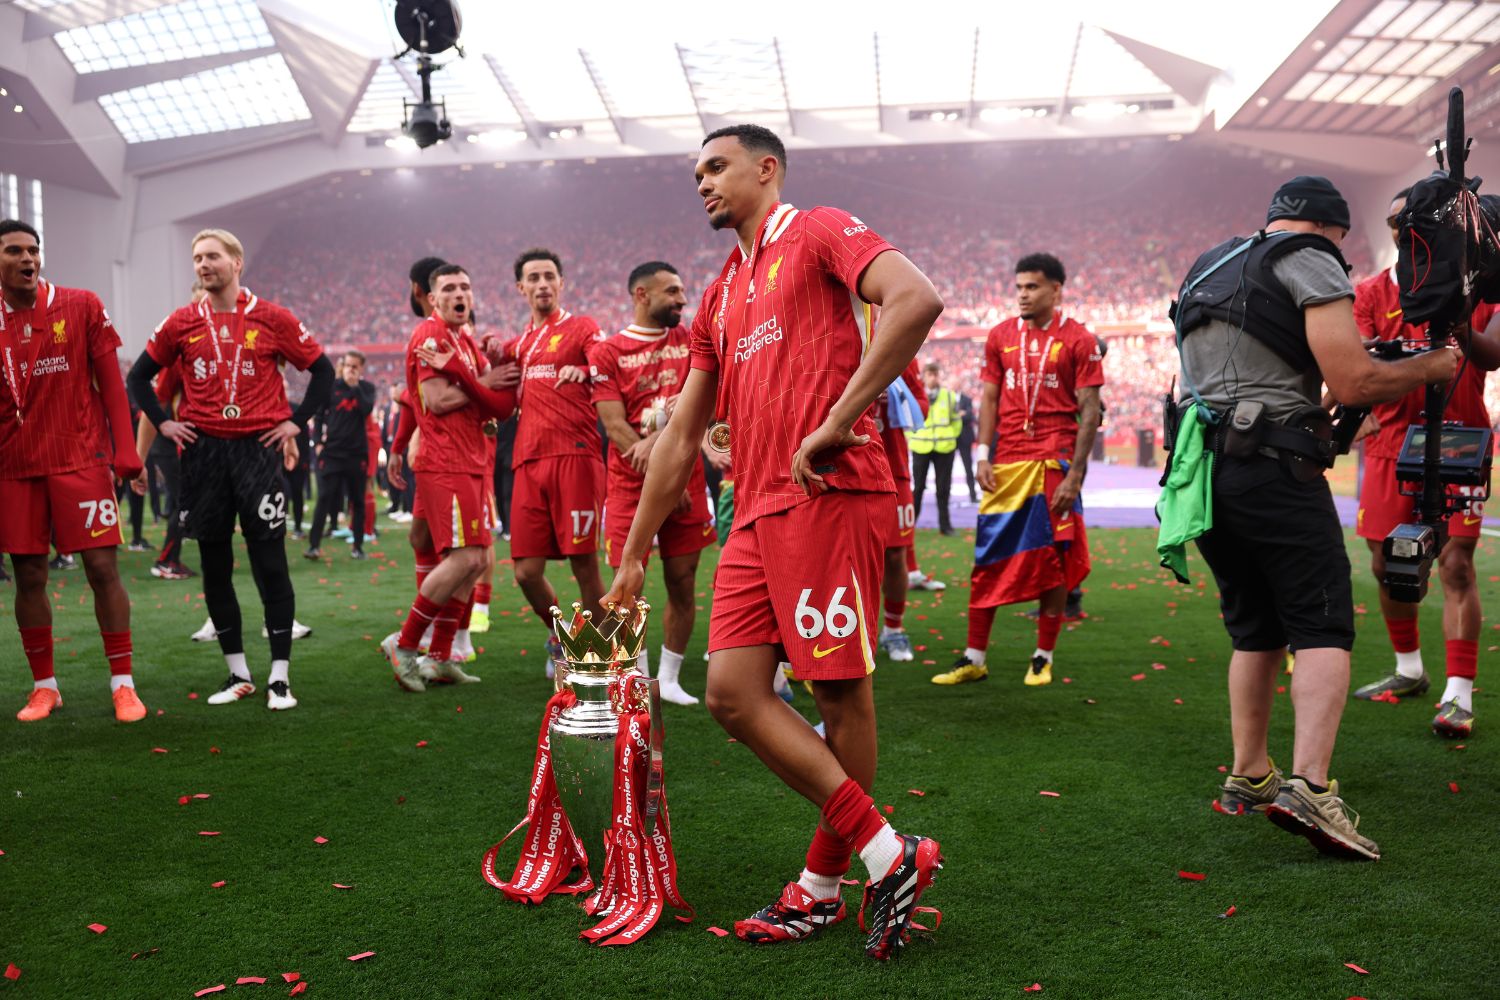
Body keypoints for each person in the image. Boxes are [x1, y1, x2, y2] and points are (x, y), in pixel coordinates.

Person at [602, 124, 946, 960]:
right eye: (696, 173)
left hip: (829, 493)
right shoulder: (719, 294)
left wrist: (838, 418)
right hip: (754, 508)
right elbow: (682, 435)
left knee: (838, 696)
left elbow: (915, 299)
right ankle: (887, 854)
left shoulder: (819, 229)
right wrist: (635, 552)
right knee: (730, 694)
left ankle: (822, 889)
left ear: (767, 169)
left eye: (716, 167)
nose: (703, 182)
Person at [1165, 176, 1458, 860]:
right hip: (1273, 469)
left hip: (1203, 472)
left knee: (1254, 626)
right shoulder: (1309, 257)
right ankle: (1311, 787)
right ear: (1329, 230)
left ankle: (1249, 774)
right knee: (1322, 623)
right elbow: (1354, 381)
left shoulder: (1212, 261)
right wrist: (1431, 367)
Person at [127, 228, 333, 712]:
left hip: (257, 451)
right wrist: (165, 423)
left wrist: (296, 423)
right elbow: (138, 378)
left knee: (270, 563)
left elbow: (322, 371)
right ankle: (238, 673)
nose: (203, 265)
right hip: (204, 455)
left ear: (236, 262)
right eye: (198, 258)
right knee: (215, 566)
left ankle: (279, 677)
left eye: (213, 256)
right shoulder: (181, 321)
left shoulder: (273, 317)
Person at [1349, 185, 1497, 739]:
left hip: (1460, 442)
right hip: (1390, 445)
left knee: (1456, 565)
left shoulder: (1482, 286)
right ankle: (1409, 668)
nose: (1404, 228)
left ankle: (1459, 694)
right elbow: (1357, 362)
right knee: (1388, 563)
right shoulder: (1370, 292)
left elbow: (1494, 354)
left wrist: (1457, 320)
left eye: (1415, 219)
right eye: (1396, 220)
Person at [0, 218, 147, 724]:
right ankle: (45, 687)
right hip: (15, 466)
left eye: (33, 249)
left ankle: (123, 684)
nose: (27, 258)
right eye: (14, 251)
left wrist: (126, 452)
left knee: (102, 569)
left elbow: (112, 384)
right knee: (29, 576)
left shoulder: (81, 305)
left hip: (79, 458)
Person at [935, 253, 1102, 687]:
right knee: (988, 556)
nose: (1023, 295)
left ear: (1055, 290)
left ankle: (1043, 657)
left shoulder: (1080, 339)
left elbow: (1090, 411)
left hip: (1054, 462)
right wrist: (981, 454)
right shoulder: (1000, 335)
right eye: (1019, 288)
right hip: (1006, 462)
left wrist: (1075, 475)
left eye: (1032, 287)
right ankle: (974, 657)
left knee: (1054, 561)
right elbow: (989, 399)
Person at [382, 264, 518, 690]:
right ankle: (406, 645)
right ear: (432, 298)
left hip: (473, 459)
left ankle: (440, 657)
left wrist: (487, 371)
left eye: (465, 287)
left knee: (476, 560)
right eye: (450, 288)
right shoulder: (430, 336)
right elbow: (437, 401)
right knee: (463, 557)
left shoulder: (466, 342)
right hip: (446, 460)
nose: (460, 294)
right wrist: (483, 381)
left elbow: (498, 401)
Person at [587, 260, 716, 705]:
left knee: (682, 580)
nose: (683, 299)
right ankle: (637, 678)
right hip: (629, 484)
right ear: (642, 295)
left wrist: (666, 461)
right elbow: (614, 425)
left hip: (687, 479)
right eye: (672, 291)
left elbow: (704, 404)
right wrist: (661, 479)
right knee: (628, 585)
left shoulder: (694, 341)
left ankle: (670, 679)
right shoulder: (607, 352)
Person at [502, 249, 606, 672]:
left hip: (574, 457)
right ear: (521, 288)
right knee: (526, 572)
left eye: (549, 276)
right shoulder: (519, 344)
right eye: (534, 277)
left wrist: (588, 370)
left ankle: (597, 654)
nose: (542, 284)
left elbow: (605, 361)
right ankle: (562, 638)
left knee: (584, 563)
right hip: (527, 461)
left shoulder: (583, 327)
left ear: (561, 283)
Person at [875, 359, 928, 663]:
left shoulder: (899, 344)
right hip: (846, 466)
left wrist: (896, 397)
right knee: (847, 557)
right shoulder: (831, 340)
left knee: (896, 555)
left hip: (893, 468)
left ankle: (893, 629)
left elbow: (922, 405)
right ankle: (854, 630)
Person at [305, 350, 375, 560]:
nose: (350, 370)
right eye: (347, 365)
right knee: (324, 498)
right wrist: (318, 442)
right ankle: (314, 546)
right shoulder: (331, 387)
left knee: (357, 501)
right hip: (333, 453)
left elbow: (366, 410)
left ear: (361, 368)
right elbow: (319, 416)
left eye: (354, 366)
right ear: (342, 366)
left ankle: (358, 547)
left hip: (357, 454)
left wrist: (355, 387)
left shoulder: (366, 388)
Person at [905, 362, 961, 535]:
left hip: (944, 447)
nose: (933, 377)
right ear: (923, 376)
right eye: (930, 374)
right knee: (918, 488)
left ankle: (945, 526)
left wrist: (951, 436)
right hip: (921, 446)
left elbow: (956, 421)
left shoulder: (949, 396)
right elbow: (907, 421)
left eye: (936, 374)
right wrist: (912, 438)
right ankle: (910, 526)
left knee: (943, 489)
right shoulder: (914, 396)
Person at [955, 386, 978, 503]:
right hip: (951, 438)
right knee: (945, 470)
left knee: (968, 467)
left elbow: (970, 416)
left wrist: (959, 415)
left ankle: (973, 495)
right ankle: (945, 498)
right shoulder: (947, 398)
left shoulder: (967, 399)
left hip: (965, 438)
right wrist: (960, 415)